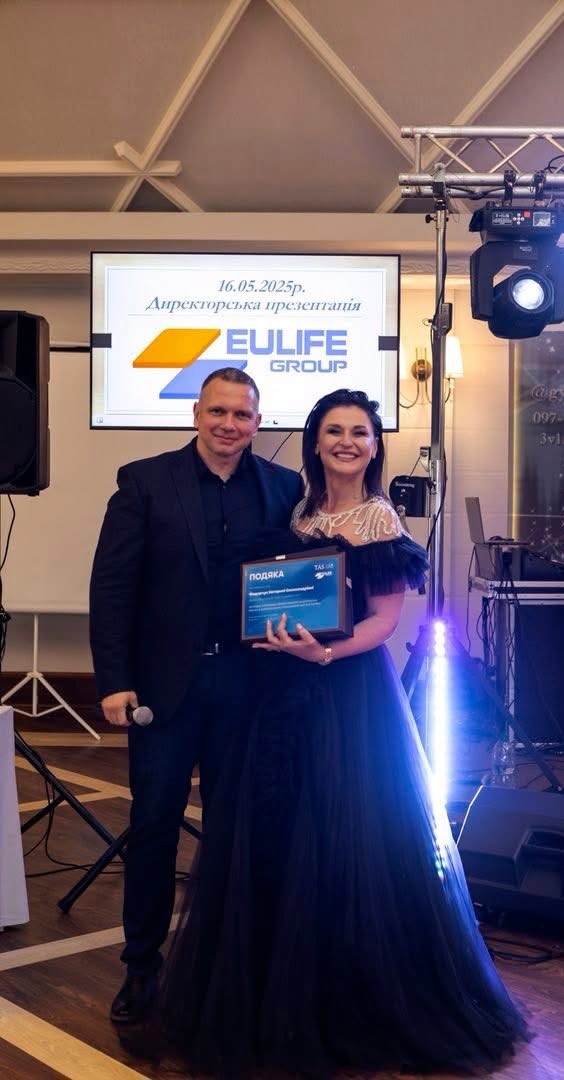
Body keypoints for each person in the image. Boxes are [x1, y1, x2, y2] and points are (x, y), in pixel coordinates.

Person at [153, 388, 529, 1077]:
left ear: (376, 445)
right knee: (279, 837)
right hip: (279, 693)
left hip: (347, 697)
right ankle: (277, 1001)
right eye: (334, 430)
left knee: (345, 838)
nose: (347, 442)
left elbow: (385, 623)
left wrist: (322, 653)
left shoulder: (380, 518)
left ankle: (344, 1005)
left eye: (360, 431)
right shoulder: (296, 511)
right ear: (315, 441)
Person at [89, 367, 304, 1024]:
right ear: (196, 415)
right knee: (154, 825)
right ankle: (141, 967)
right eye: (217, 412)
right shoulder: (144, 480)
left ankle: (230, 966)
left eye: (241, 415)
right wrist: (113, 679)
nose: (228, 425)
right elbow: (113, 587)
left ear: (257, 422)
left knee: (239, 829)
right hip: (165, 690)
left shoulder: (284, 487)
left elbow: (300, 579)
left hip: (250, 685)